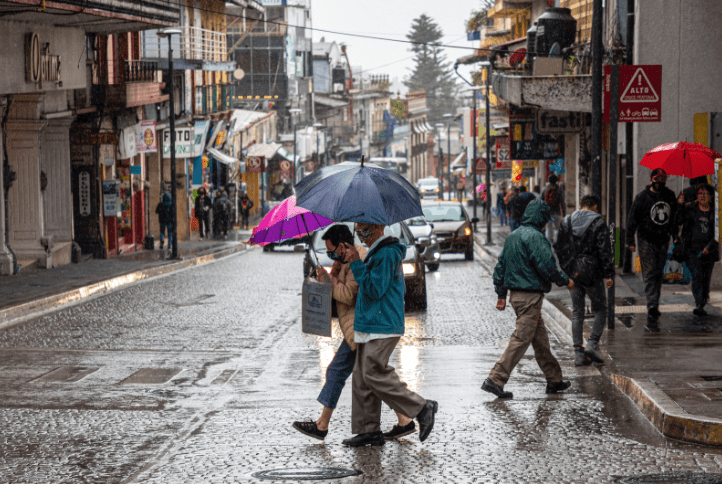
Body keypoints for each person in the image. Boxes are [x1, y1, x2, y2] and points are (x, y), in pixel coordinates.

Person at [292, 225, 412, 441]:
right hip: (355, 328)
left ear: (341, 245)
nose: (329, 256)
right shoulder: (343, 262)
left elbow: (352, 294)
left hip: (363, 327)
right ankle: (398, 422)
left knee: (361, 375)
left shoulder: (362, 257)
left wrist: (331, 282)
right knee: (368, 378)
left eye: (331, 251)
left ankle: (325, 425)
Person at [340, 222, 438, 447]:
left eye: (360, 225)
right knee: (362, 376)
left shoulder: (386, 253)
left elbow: (374, 289)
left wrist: (356, 262)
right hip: (371, 322)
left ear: (373, 227)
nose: (357, 230)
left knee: (374, 371)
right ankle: (368, 430)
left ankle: (422, 407)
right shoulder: (377, 252)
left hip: (382, 322)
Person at [482, 199, 574, 399]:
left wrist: (501, 294)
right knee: (521, 339)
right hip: (530, 297)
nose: (545, 224)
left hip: (516, 297)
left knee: (540, 340)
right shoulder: (536, 238)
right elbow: (547, 266)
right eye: (544, 220)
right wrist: (564, 280)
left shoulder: (513, 236)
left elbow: (500, 267)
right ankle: (495, 379)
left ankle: (554, 379)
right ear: (540, 218)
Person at [553, 195, 614, 366]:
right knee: (601, 308)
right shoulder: (598, 222)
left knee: (577, 313)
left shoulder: (567, 221)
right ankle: (593, 344)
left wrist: (567, 271)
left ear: (580, 206)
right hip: (592, 271)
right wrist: (608, 274)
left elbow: (559, 248)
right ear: (594, 206)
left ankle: (578, 354)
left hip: (573, 272)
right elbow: (604, 250)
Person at [626, 168, 679, 331]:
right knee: (649, 273)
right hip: (646, 240)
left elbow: (675, 217)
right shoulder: (642, 198)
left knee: (657, 272)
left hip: (663, 240)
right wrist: (629, 240)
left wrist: (675, 235)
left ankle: (654, 301)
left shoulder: (670, 196)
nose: (660, 183)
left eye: (664, 179)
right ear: (651, 180)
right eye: (658, 179)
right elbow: (632, 219)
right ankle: (652, 304)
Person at [677, 185, 717, 316]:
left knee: (706, 277)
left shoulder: (715, 213)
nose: (702, 196)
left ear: (711, 197)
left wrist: (709, 247)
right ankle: (699, 303)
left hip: (709, 251)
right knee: (697, 275)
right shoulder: (691, 210)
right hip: (692, 250)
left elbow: (717, 234)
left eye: (705, 194)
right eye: (700, 194)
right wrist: (680, 206)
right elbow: (678, 220)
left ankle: (703, 299)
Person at [540, 174, 565, 244]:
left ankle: (548, 244)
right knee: (557, 229)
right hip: (557, 212)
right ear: (556, 181)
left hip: (547, 213)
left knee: (548, 229)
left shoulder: (545, 189)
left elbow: (540, 202)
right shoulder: (559, 190)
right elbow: (562, 202)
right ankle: (556, 243)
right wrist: (564, 213)